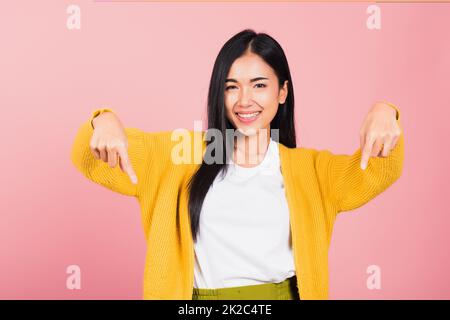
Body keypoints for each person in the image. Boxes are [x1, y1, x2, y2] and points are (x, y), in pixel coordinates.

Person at [70, 29, 404, 300]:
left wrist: (385, 112)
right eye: (232, 87)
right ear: (220, 93)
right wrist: (103, 120)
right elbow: (90, 158)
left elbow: (378, 170)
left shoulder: (312, 171)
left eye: (259, 85)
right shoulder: (178, 154)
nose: (245, 100)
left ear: (282, 92)